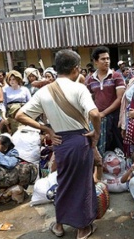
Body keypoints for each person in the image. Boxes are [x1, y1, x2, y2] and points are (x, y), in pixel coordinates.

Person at [15, 49, 101, 239]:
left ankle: (60, 225)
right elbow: (94, 114)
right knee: (83, 184)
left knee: (63, 182)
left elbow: (19, 115)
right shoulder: (79, 88)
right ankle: (83, 228)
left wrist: (46, 129)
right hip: (80, 141)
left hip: (60, 142)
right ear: (76, 69)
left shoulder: (44, 91)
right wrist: (97, 132)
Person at [86, 46, 125, 156]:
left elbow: (119, 98)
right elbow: (87, 98)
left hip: (115, 117)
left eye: (108, 58)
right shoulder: (90, 80)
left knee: (117, 146)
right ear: (95, 61)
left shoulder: (116, 76)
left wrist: (103, 113)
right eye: (103, 59)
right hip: (98, 118)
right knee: (100, 147)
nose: (106, 61)